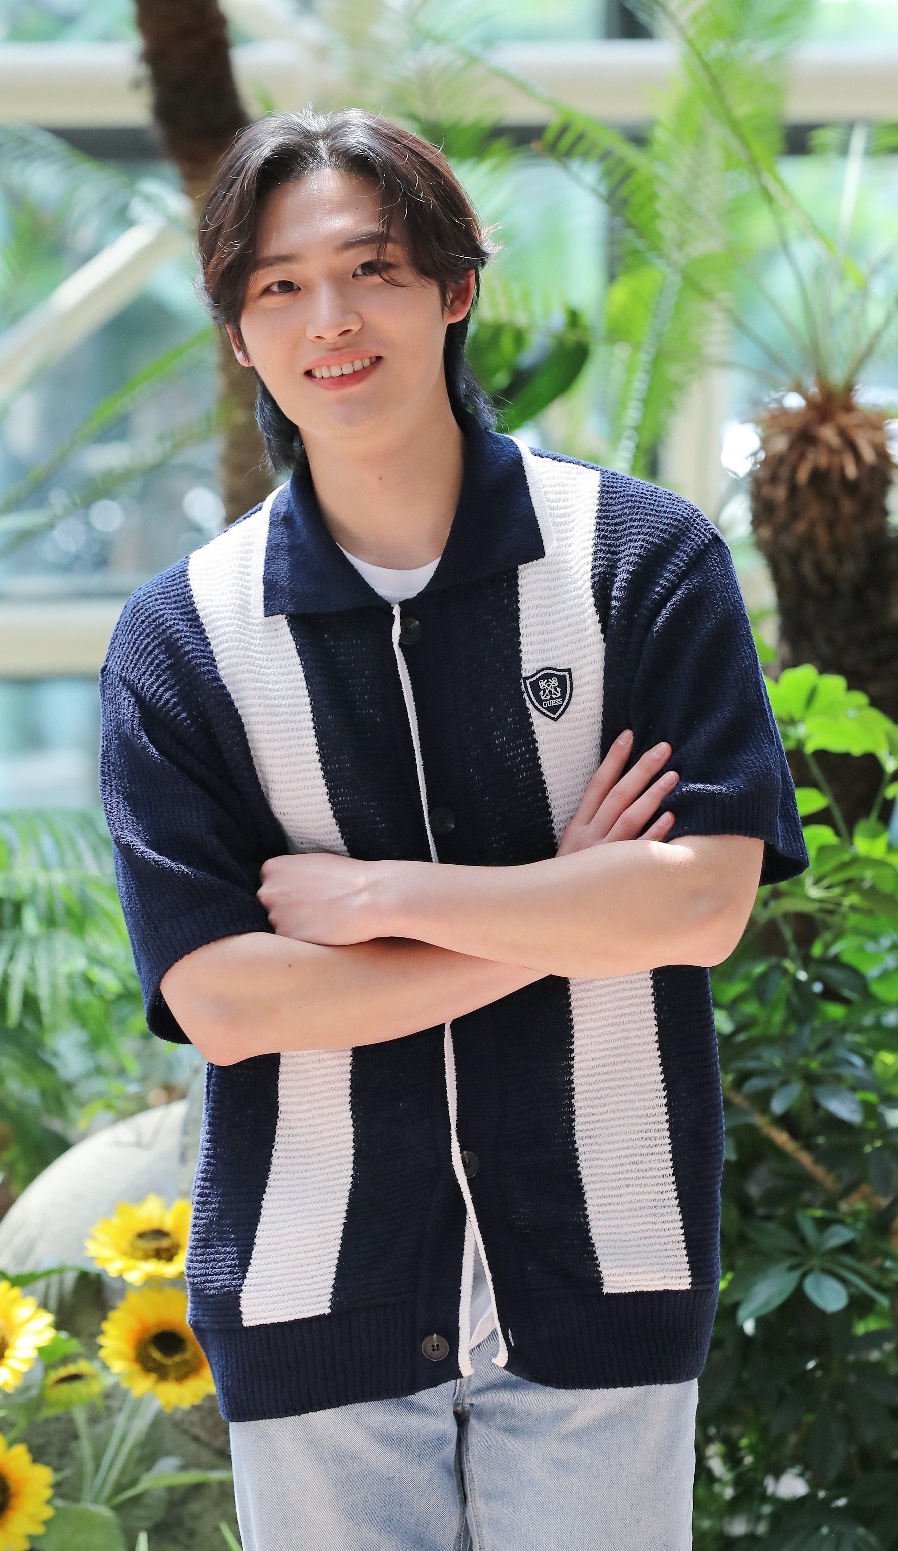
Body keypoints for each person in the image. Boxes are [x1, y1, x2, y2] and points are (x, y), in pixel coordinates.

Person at [98, 107, 809, 1551]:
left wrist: (382, 901)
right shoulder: (183, 639)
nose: (332, 320)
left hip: (606, 1267)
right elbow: (227, 1001)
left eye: (373, 269)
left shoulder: (639, 564)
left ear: (456, 287)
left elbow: (700, 905)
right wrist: (570, 903)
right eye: (281, 286)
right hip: (315, 1293)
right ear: (239, 335)